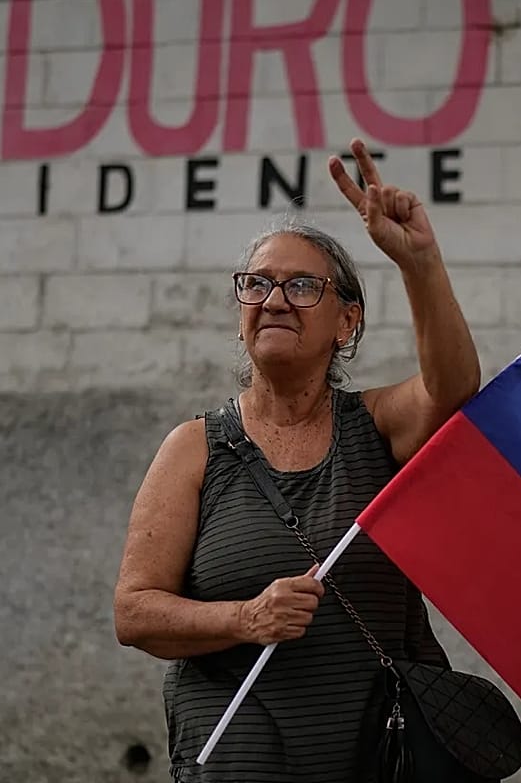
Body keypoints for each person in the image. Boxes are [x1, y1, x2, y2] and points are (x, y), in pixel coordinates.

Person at [113, 140, 482, 782]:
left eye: (304, 286)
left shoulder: (376, 425)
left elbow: (453, 387)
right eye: (258, 284)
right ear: (241, 315)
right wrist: (246, 617)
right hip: (238, 764)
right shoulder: (194, 448)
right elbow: (135, 613)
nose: (276, 299)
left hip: (375, 762)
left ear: (346, 322)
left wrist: (418, 261)